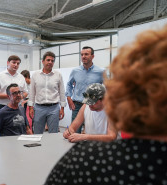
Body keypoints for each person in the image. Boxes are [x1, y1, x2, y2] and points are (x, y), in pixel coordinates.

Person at [45, 26, 167, 185]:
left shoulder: (83, 159)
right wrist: (70, 127)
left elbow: (110, 136)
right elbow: (74, 117)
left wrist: (83, 136)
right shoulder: (84, 101)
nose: (83, 56)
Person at [65, 46, 104, 133]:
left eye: (86, 54)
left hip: (93, 106)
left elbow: (108, 87)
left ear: (92, 56)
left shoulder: (100, 72)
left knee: (93, 132)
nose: (83, 56)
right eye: (82, 54)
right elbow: (69, 84)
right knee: (73, 132)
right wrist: (68, 97)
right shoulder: (75, 71)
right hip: (77, 106)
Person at [28, 51, 66, 134]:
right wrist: (30, 107)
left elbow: (62, 92)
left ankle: (52, 147)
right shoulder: (35, 75)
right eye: (48, 60)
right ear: (43, 61)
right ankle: (37, 147)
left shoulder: (58, 75)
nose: (50, 62)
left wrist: (62, 108)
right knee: (37, 133)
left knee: (53, 133)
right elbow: (32, 92)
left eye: (52, 61)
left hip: (54, 108)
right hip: (39, 108)